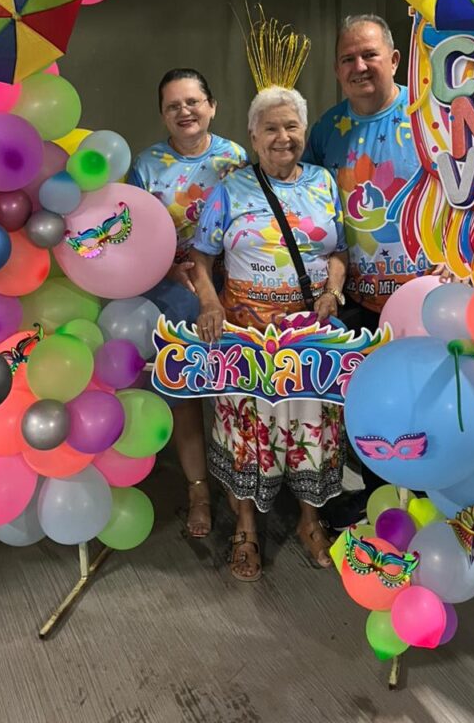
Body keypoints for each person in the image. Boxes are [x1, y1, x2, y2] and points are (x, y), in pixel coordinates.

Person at [191, 86, 348, 581]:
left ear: (304, 131)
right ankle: (245, 528)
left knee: (311, 428)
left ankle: (309, 521)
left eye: (292, 126)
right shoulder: (231, 190)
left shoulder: (323, 182)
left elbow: (338, 250)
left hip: (309, 337)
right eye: (271, 128)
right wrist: (210, 303)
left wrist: (333, 292)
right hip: (246, 337)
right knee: (247, 432)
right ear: (253, 136)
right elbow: (201, 257)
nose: (283, 137)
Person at [305, 14, 448, 527]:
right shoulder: (326, 130)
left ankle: (433, 502)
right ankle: (378, 498)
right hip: (358, 303)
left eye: (369, 54)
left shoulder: (430, 117)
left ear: (394, 58)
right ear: (337, 70)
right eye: (348, 58)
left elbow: (467, 190)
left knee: (428, 406)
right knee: (367, 408)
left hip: (427, 300)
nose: (359, 66)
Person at [129, 68, 246, 539]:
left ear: (212, 106)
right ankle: (198, 491)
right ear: (163, 114)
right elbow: (132, 236)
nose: (185, 111)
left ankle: (240, 485)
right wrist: (165, 270)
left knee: (235, 388)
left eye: (193, 101)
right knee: (186, 389)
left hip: (231, 283)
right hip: (172, 286)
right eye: (173, 105)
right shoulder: (146, 165)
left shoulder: (236, 159)